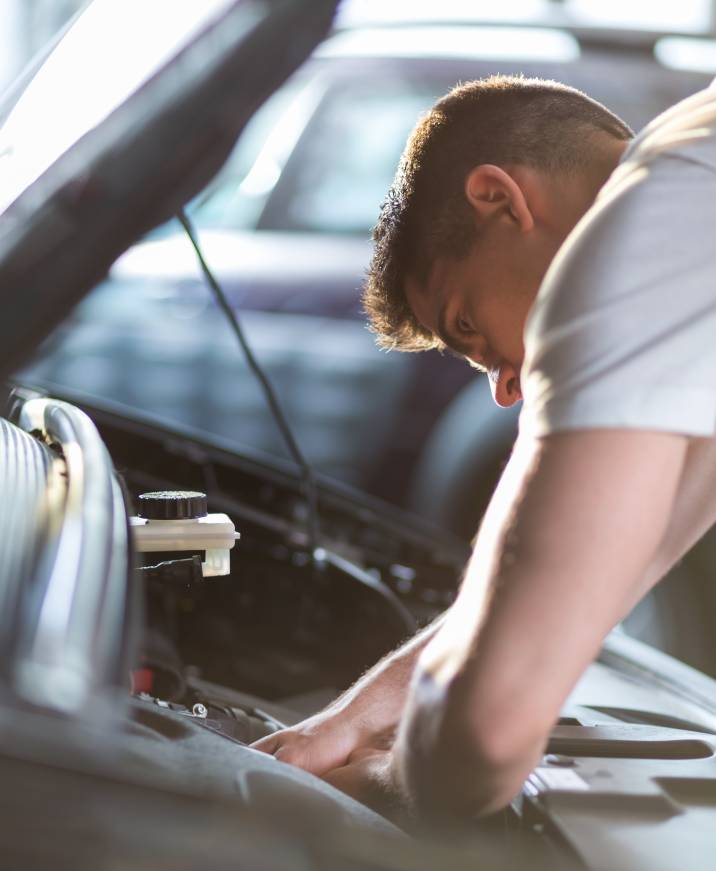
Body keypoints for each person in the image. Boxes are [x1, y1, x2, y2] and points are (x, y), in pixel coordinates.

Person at [252, 74, 716, 825]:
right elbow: (608, 566)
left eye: (465, 326)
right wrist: (352, 721)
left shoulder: (642, 227)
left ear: (500, 199)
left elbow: (489, 734)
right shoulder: (694, 195)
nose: (503, 387)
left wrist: (375, 784)